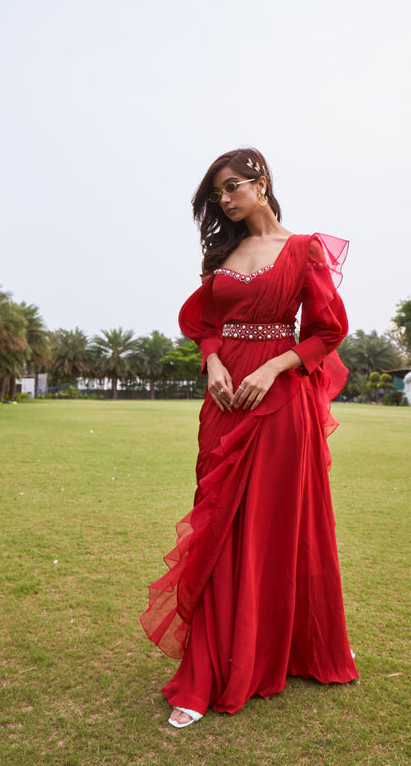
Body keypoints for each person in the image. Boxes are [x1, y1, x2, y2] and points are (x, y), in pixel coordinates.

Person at [140, 147, 358, 728]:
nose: (225, 199)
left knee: (271, 524)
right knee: (218, 520)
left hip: (279, 401)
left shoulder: (304, 247)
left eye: (232, 187)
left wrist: (271, 367)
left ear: (261, 182)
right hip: (224, 401)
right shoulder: (222, 253)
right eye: (217, 194)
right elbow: (206, 323)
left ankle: (267, 653)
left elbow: (327, 331)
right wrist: (212, 363)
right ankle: (216, 656)